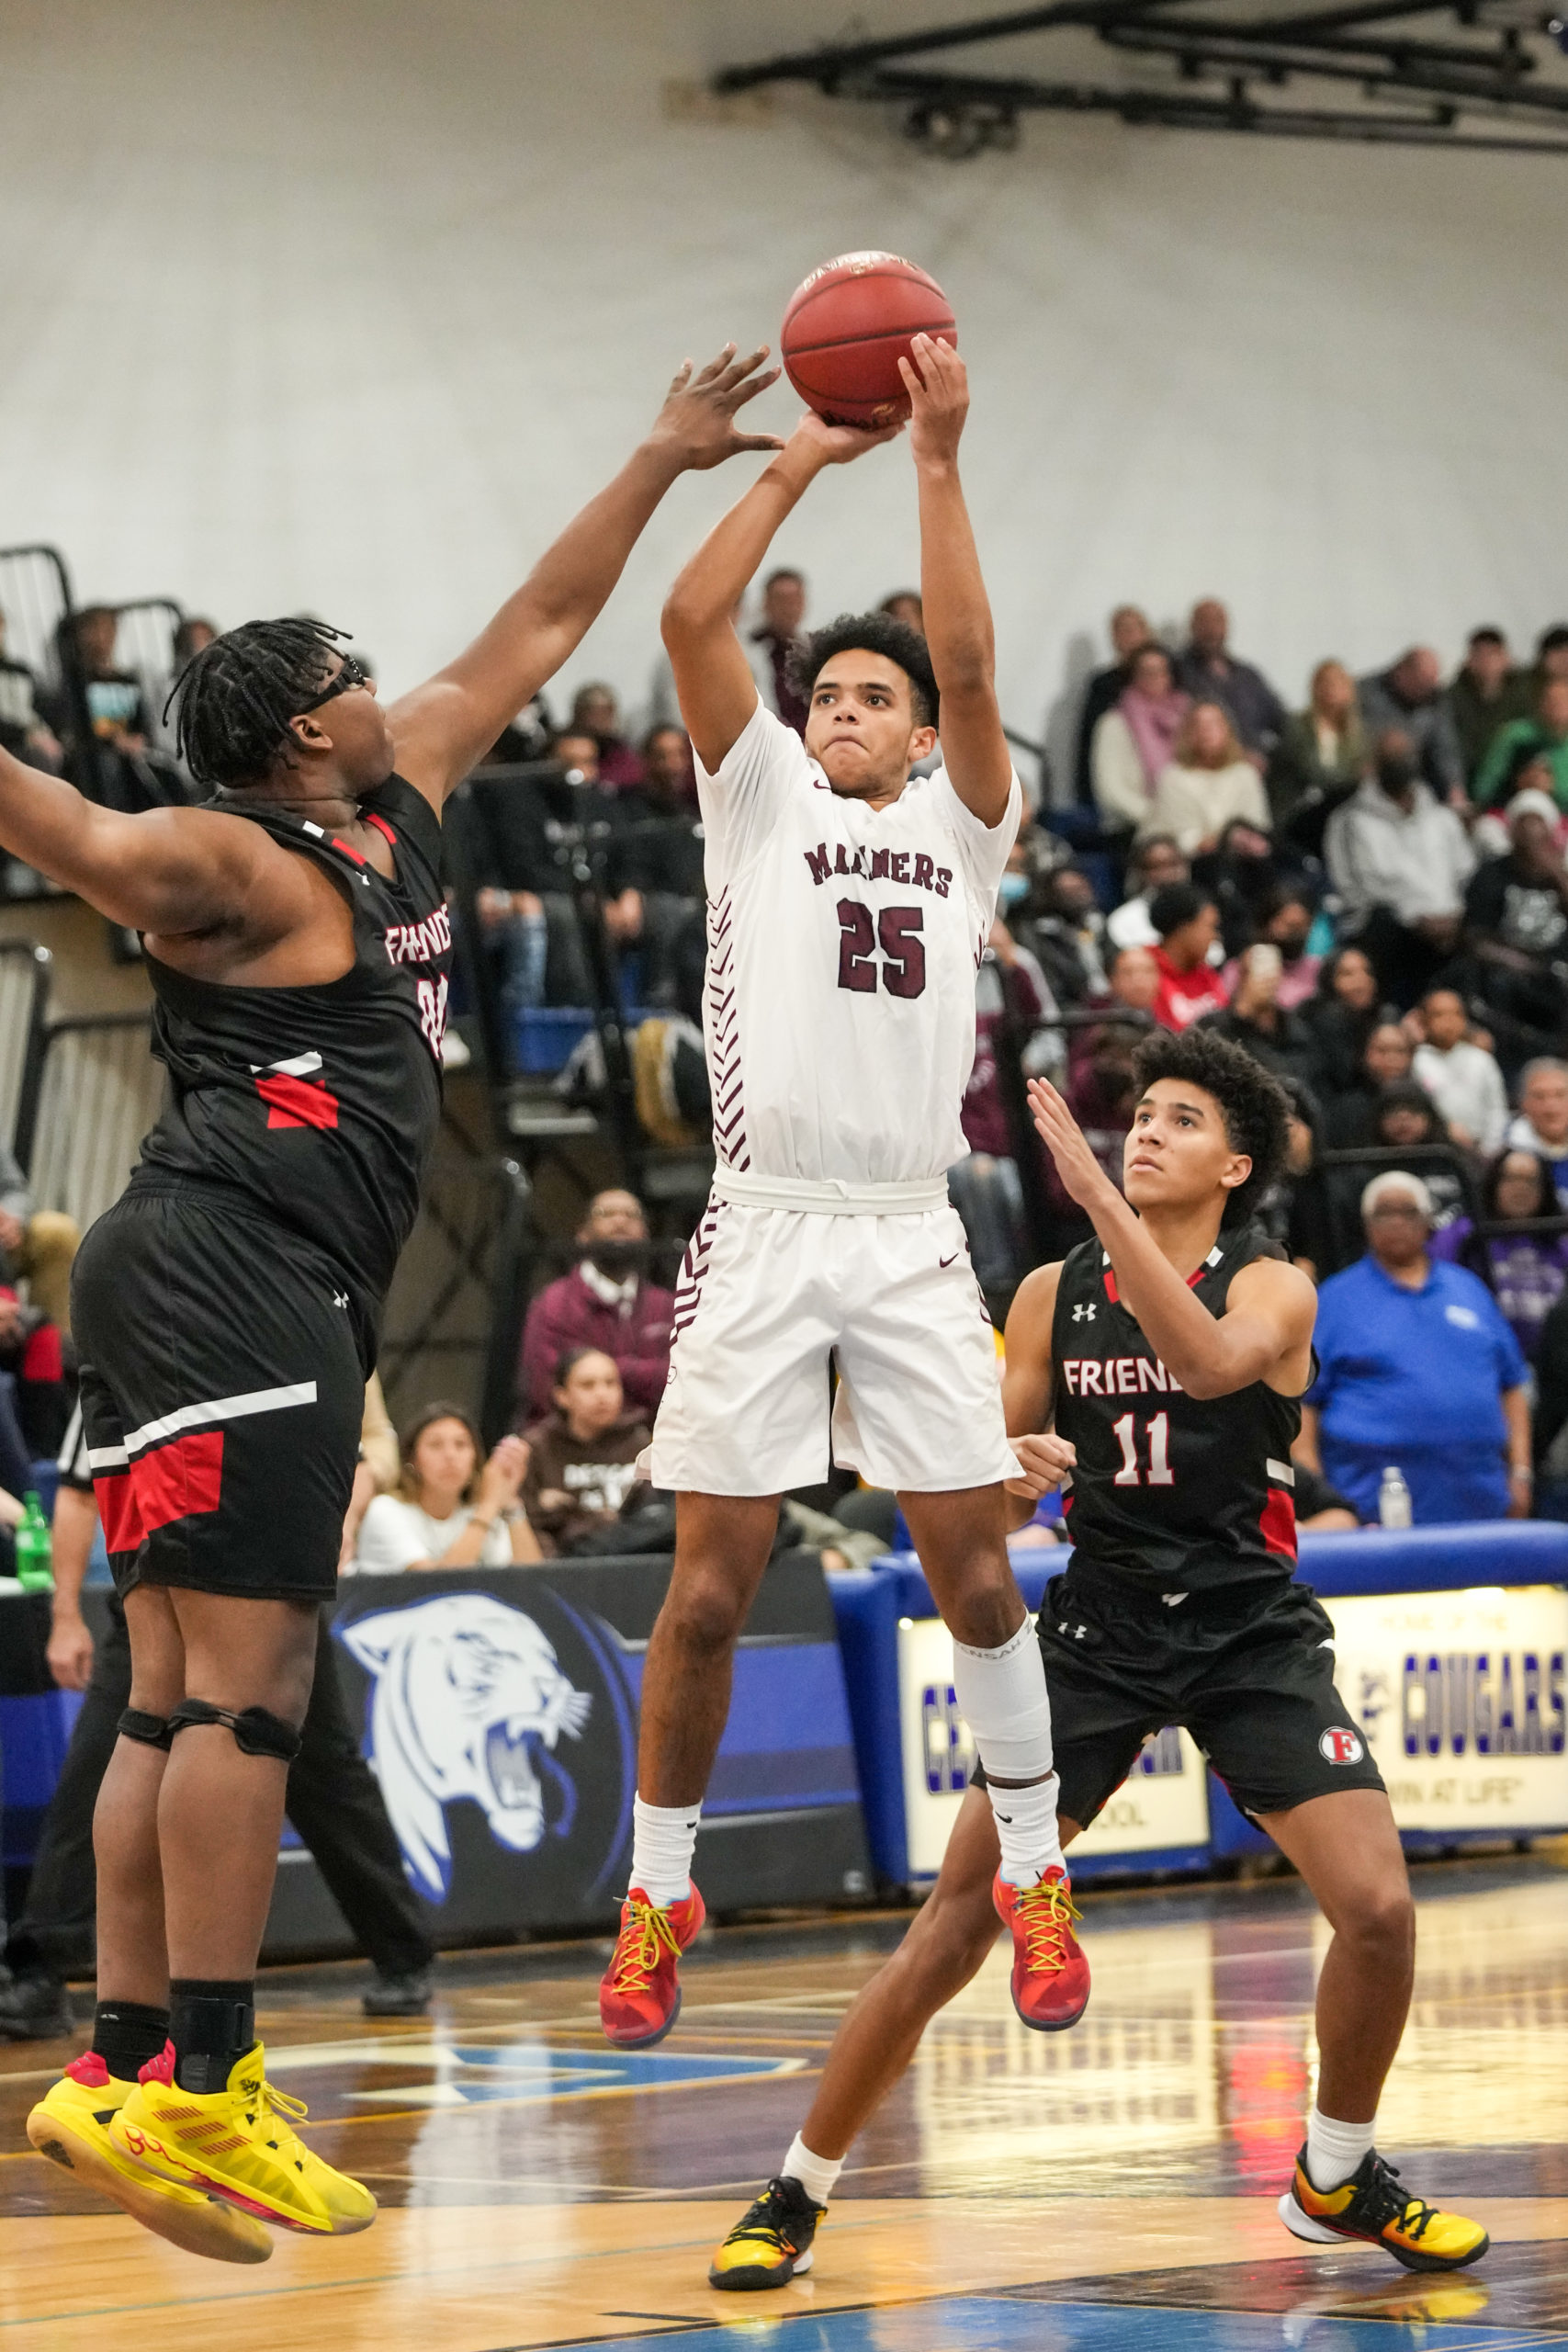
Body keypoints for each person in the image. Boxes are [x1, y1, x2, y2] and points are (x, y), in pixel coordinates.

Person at [5, 338, 784, 2259]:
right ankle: (211, 2075)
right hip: (233, 1260)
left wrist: (662, 452)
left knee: (186, 1688)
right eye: (344, 667)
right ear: (293, 730)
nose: (381, 677)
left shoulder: (408, 782)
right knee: (252, 1695)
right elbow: (82, 840)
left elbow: (541, 610)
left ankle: (117, 2066)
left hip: (203, 1266)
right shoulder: (237, 854)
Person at [708, 1027, 1485, 2291]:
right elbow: (986, 1484)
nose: (1143, 1132)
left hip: (1246, 1632)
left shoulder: (1270, 1284)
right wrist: (1003, 1472)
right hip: (1096, 1632)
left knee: (1380, 1911)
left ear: (1235, 1166)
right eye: (1138, 1115)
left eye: (1179, 1120)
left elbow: (1204, 1362)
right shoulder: (1045, 1294)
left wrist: (1092, 1201)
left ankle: (1334, 2172)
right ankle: (791, 2195)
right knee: (953, 1925)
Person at [607, 334, 1076, 2055]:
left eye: (870, 698)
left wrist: (936, 456)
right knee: (709, 1595)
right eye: (827, 696)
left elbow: (965, 644)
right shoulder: (757, 802)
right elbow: (684, 624)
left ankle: (1031, 1866)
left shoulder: (962, 826)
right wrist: (795, 459)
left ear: (926, 734)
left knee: (973, 1584)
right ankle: (660, 1889)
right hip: (764, 1214)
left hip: (905, 1229)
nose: (839, 711)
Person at [0, 1414, 438, 2047]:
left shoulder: (273, 1334)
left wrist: (329, 1531)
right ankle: (42, 1969)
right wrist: (65, 1614)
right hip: (153, 1588)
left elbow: (354, 1461)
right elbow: (77, 1487)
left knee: (323, 1771)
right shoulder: (123, 1338)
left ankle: (403, 1949)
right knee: (100, 1763)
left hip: (261, 1583)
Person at [1300, 1170, 1529, 1524]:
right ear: (1366, 1225)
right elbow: (1303, 1406)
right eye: (1383, 1213)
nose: (1396, 1222)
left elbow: (1511, 1387)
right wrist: (1319, 1498)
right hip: (1370, 1507)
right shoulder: (1335, 1299)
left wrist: (1521, 1472)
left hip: (1479, 1501)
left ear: (1427, 1222)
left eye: (1407, 1212)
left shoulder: (1468, 1289)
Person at [1324, 729, 1475, 1007]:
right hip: (1390, 931)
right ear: (1375, 763)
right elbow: (1349, 890)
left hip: (1449, 927)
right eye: (1392, 757)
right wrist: (1415, 919)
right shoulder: (1350, 821)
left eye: (1405, 756)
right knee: (1382, 928)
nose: (1400, 763)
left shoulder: (1442, 818)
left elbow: (1465, 873)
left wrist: (1451, 917)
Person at [517, 1188, 676, 1420]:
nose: (620, 1221)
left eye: (631, 1215)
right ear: (583, 1235)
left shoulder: (666, 1305)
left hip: (651, 1444)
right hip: (569, 1448)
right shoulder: (553, 1303)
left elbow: (679, 1382)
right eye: (606, 1214)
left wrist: (606, 1369)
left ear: (645, 1234)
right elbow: (546, 1387)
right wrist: (639, 1373)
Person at [353, 1404, 539, 1571]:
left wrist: (510, 1502)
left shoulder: (477, 1512)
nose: (450, 1455)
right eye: (435, 1445)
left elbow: (532, 1585)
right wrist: (489, 1505)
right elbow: (437, 1590)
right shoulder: (385, 1511)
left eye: (461, 1445)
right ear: (413, 1461)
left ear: (475, 1460)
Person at [1461, 788, 1568, 1073]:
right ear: (1511, 832)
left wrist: (1559, 878)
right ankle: (1509, 1070)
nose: (1531, 833)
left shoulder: (1561, 874)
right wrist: (1527, 965)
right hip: (1507, 966)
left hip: (1556, 968)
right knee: (1500, 985)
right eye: (1524, 824)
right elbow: (1474, 937)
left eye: (1538, 824)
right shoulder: (1492, 874)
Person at [1430, 1148, 1568, 1363]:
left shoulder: (1560, 1241)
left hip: (1554, 1362)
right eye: (1511, 1178)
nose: (1520, 1188)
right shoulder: (1462, 1235)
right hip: (1479, 1356)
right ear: (1494, 1183)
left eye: (1531, 1181)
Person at [520, 1347, 652, 1555]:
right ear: (562, 1396)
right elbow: (527, 1521)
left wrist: (567, 1510)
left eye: (610, 1383)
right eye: (587, 1385)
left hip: (635, 1558)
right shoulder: (537, 1447)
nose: (602, 1394)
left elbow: (656, 1517)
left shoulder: (641, 1442)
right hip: (561, 1566)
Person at [1145, 701, 1270, 854]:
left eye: (1214, 724)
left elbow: (1258, 825)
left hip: (1241, 860)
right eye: (1198, 725)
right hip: (1189, 865)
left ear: (1228, 730)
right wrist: (1222, 842)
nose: (1206, 731)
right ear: (1188, 735)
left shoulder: (1245, 774)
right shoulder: (1173, 778)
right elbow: (1179, 837)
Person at [1090, 643, 1188, 834]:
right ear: (1133, 677)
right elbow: (1111, 790)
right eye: (1146, 672)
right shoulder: (1113, 724)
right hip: (1131, 825)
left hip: (1181, 820)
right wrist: (1157, 817)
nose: (1154, 679)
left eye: (1160, 671)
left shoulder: (1185, 716)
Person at [1173, 599, 1286, 759]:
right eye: (1204, 621)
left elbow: (1281, 720)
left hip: (1256, 767)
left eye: (1217, 621)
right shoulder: (1178, 673)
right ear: (1192, 627)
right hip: (1205, 767)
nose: (1211, 629)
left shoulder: (1248, 675)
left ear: (1227, 626)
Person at [1267, 660, 1366, 834]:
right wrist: (1352, 780)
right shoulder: (1297, 726)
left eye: (1337, 683)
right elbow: (1313, 772)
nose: (1331, 689)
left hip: (1337, 812)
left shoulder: (1355, 733)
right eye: (1325, 683)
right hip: (1299, 809)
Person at [1072, 605, 1156, 804]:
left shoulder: (1171, 683)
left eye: (1134, 629)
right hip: (1122, 785)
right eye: (1122, 631)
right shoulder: (1103, 685)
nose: (1129, 638)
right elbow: (1088, 741)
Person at [1410, 986, 1507, 1152]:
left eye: (1456, 1014)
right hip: (1435, 1149)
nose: (1449, 1021)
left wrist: (1490, 1149)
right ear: (1424, 1020)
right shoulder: (1415, 1062)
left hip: (1481, 1148)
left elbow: (1496, 1108)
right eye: (1439, 1014)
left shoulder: (1481, 1059)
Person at [1358, 650, 1464, 800]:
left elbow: (1445, 748)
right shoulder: (1365, 693)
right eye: (1422, 683)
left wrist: (1455, 788)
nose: (1427, 690)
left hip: (1418, 779)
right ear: (1402, 672)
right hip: (1370, 776)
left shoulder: (1436, 700)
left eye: (1431, 683)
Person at [1299, 944, 1386, 1101]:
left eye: (1367, 972)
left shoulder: (1383, 1017)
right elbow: (1344, 1077)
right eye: (1348, 974)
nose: (1361, 980)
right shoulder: (1323, 1019)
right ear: (1329, 981)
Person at [1448, 628, 1531, 789]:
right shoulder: (1453, 698)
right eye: (1479, 655)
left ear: (1506, 658)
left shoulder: (1525, 694)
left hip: (1515, 777)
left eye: (1492, 654)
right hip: (1468, 777)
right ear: (1469, 660)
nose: (1486, 662)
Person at [1476, 677, 1568, 811]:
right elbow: (1483, 788)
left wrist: (1554, 788)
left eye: (1563, 701)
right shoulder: (1514, 736)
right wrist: (1520, 784)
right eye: (1551, 700)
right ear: (1540, 704)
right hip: (1511, 812)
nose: (1557, 706)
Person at [1321, 1020, 1415, 1148]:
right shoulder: (1345, 1110)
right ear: (1364, 1055)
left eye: (1400, 1051)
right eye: (1382, 1050)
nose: (1391, 1059)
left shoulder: (1422, 1106)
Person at [1147, 883, 1227, 1032]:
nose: (1215, 936)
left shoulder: (1206, 974)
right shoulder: (1144, 973)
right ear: (1184, 928)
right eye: (1210, 927)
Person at [748, 566, 809, 733]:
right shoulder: (749, 650)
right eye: (781, 600)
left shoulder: (811, 651)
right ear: (766, 604)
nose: (789, 608)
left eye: (795, 600)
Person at [1105, 833, 1187, 950]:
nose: (1165, 874)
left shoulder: (1205, 912)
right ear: (1141, 873)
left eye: (1172, 864)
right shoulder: (1123, 920)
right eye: (1155, 867)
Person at [1506, 1057, 1568, 1206]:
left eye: (1560, 1095)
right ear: (1523, 1103)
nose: (1551, 1107)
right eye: (1539, 1096)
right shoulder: (1506, 1156)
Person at [569, 682, 644, 790]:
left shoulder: (621, 753)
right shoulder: (564, 747)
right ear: (578, 713)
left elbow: (633, 778)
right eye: (594, 712)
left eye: (607, 712)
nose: (601, 719)